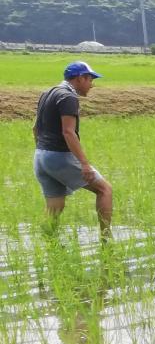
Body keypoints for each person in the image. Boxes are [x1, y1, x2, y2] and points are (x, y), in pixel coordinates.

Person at [35, 61, 112, 236]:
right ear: (79, 78)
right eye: (90, 79)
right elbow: (68, 132)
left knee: (55, 205)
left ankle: (48, 243)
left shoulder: (47, 93)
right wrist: (84, 164)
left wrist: (44, 153)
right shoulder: (69, 97)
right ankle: (107, 239)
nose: (92, 85)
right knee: (104, 189)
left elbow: (35, 128)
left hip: (40, 157)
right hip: (58, 156)